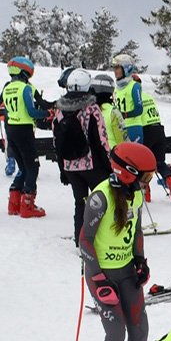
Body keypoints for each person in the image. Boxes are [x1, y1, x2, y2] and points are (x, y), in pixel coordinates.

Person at [80, 142, 157, 341]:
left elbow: (135, 231)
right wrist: (99, 279)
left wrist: (140, 260)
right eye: (144, 176)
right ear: (128, 171)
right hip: (101, 273)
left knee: (139, 332)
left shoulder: (135, 195)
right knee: (116, 332)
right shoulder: (100, 198)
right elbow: (85, 241)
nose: (146, 182)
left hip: (125, 271)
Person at [53, 69, 111, 245]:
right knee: (101, 202)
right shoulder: (91, 108)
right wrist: (108, 165)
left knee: (80, 203)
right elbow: (102, 139)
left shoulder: (59, 110)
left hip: (71, 166)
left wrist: (62, 169)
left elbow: (56, 142)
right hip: (92, 165)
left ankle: (81, 239)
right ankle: (102, 237)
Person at [112, 54, 171, 202]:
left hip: (144, 129)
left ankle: (145, 192)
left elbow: (138, 111)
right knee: (158, 163)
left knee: (138, 164)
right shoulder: (148, 97)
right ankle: (170, 181)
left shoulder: (132, 92)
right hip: (159, 130)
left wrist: (123, 115)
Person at [1, 57, 49, 218]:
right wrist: (46, 114)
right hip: (24, 130)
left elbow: (0, 105)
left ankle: (13, 203)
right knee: (33, 167)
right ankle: (27, 206)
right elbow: (31, 111)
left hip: (11, 130)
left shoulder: (7, 87)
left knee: (23, 167)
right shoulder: (25, 88)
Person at [90, 73, 127, 147]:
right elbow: (122, 138)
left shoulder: (88, 110)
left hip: (93, 154)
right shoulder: (113, 111)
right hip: (112, 153)